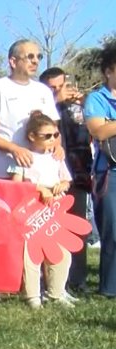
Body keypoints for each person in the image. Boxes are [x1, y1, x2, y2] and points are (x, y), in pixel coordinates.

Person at [8, 111, 75, 309]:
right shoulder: (24, 158)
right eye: (47, 136)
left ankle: (55, 292)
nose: (52, 139)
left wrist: (62, 185)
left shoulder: (56, 157)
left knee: (61, 251)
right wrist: (38, 189)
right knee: (32, 253)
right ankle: (32, 295)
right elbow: (16, 185)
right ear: (32, 136)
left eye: (55, 135)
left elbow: (65, 179)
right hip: (33, 210)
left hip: (55, 208)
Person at [41, 67, 95, 293]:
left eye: (60, 86)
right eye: (51, 88)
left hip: (77, 175)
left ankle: (77, 280)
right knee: (47, 230)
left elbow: (88, 137)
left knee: (77, 228)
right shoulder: (40, 107)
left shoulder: (79, 108)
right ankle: (47, 281)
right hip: (48, 177)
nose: (56, 91)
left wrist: (82, 103)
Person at [0, 40, 62, 179]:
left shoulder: (44, 91)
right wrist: (14, 149)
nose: (35, 61)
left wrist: (58, 146)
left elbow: (54, 130)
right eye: (30, 57)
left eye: (38, 57)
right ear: (13, 61)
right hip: (7, 172)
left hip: (41, 177)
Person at [84, 41, 116, 298]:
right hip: (110, 173)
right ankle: (109, 288)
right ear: (108, 70)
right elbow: (98, 130)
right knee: (112, 232)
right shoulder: (97, 98)